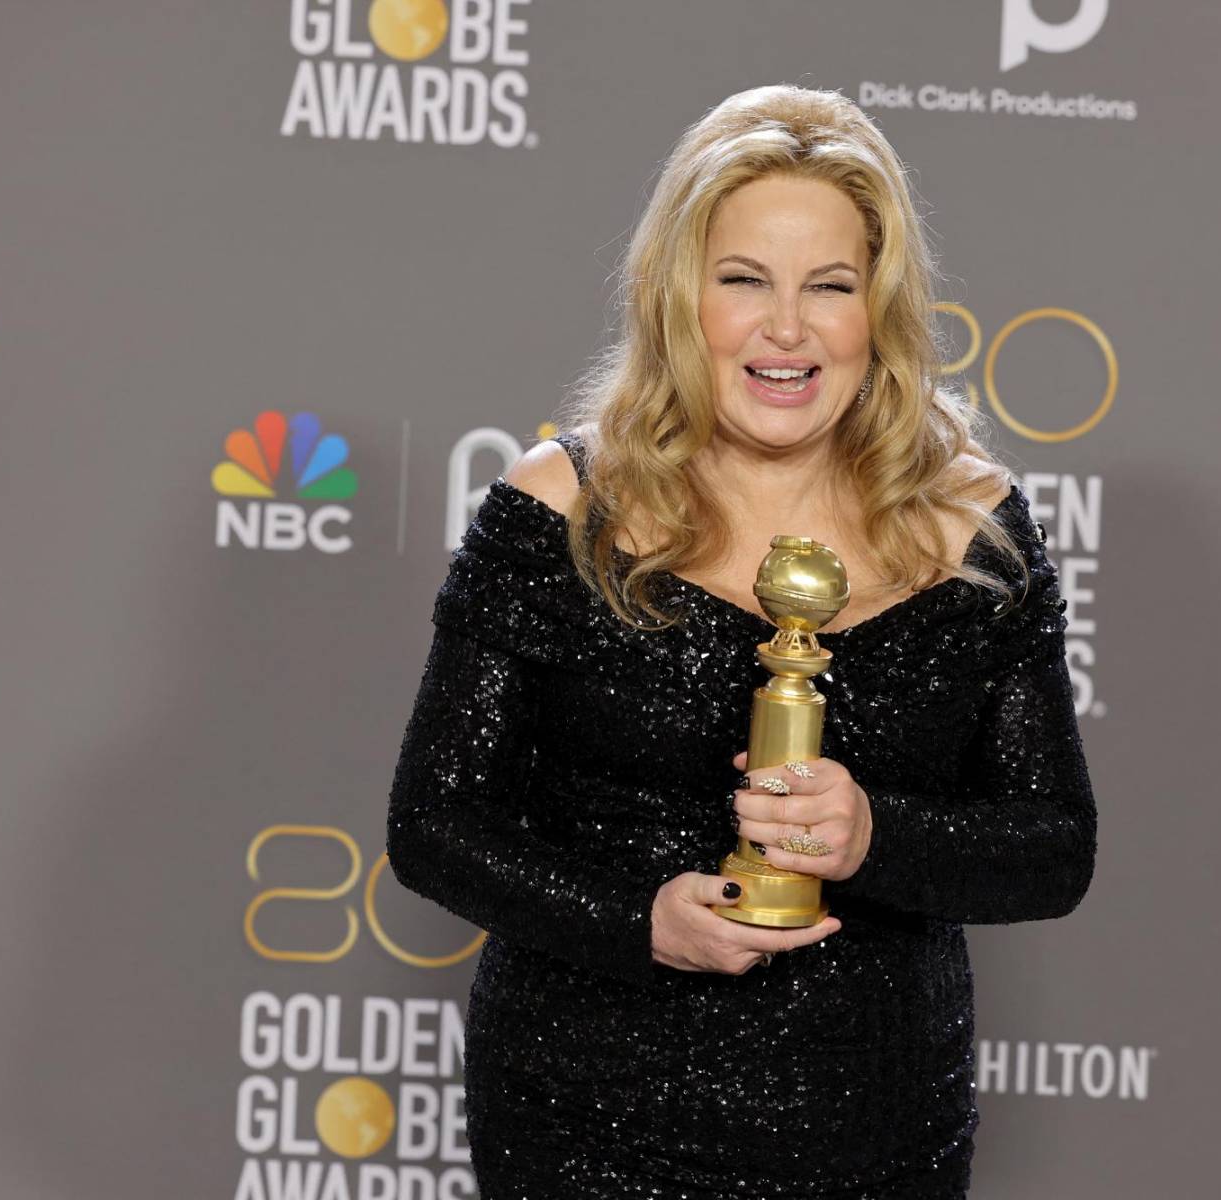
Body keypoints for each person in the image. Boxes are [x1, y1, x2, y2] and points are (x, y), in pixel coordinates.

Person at [385, 84, 1097, 1199]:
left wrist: (874, 834)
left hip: (875, 1122)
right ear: (681, 297)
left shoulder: (970, 527)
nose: (786, 329)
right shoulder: (563, 509)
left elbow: (1053, 848)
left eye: (831, 286)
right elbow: (434, 823)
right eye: (745, 280)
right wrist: (638, 923)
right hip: (588, 1118)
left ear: (879, 308)